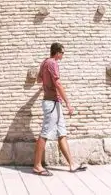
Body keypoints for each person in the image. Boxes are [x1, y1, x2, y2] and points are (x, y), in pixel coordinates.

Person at [33, 42, 88, 176]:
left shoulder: (44, 62)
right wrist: (68, 103)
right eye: (62, 53)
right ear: (57, 53)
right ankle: (37, 165)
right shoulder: (53, 63)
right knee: (45, 133)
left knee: (62, 133)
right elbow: (57, 83)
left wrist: (46, 85)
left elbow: (39, 79)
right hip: (51, 103)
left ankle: (72, 164)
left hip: (54, 102)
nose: (63, 55)